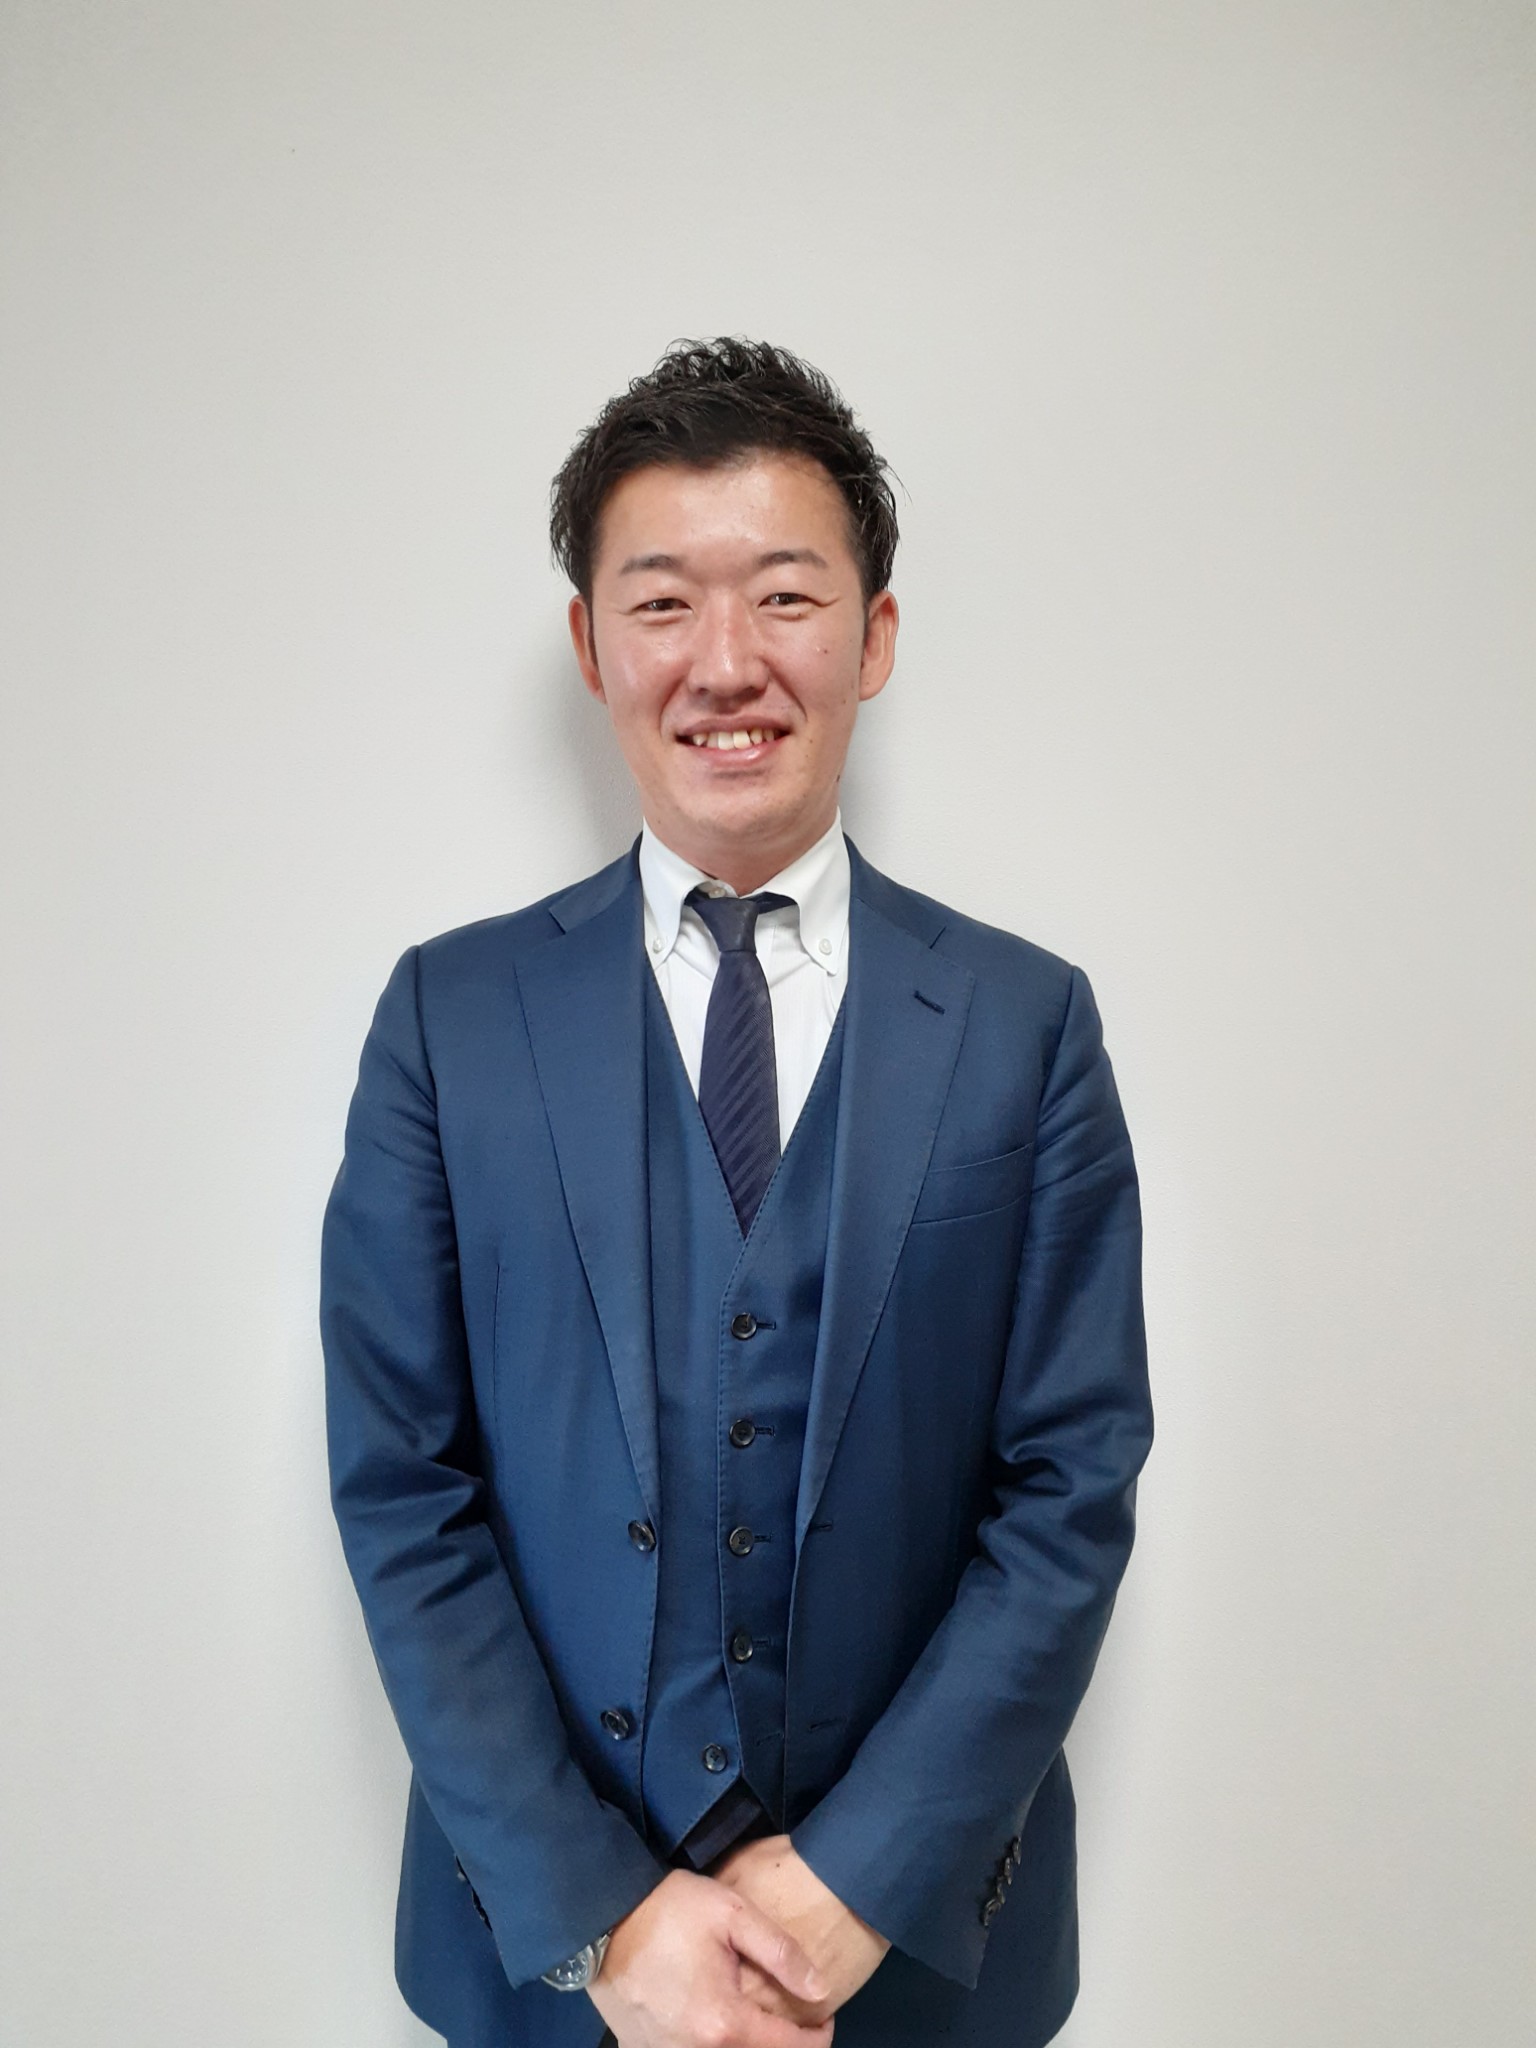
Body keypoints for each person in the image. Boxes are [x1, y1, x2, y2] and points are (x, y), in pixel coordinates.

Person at [321, 338, 1152, 2048]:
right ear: (589, 646)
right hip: (551, 1966)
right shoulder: (447, 1019)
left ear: (874, 636)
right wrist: (609, 1920)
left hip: (918, 1968)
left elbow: (1069, 1490)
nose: (725, 663)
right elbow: (402, 1489)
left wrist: (858, 1884)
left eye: (784, 597)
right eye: (662, 604)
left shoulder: (1028, 1024)